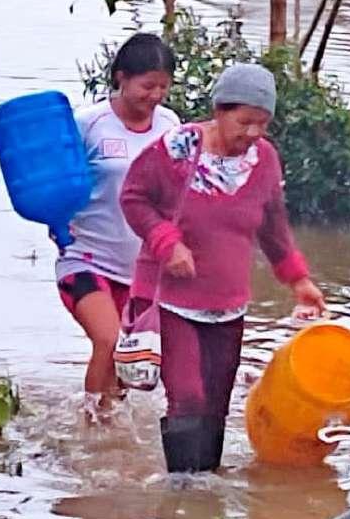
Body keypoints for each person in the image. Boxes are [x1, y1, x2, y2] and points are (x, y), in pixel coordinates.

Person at [121, 63, 325, 473]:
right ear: (219, 111)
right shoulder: (178, 149)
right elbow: (134, 197)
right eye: (244, 121)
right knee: (188, 398)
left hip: (228, 304)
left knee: (216, 404)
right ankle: (183, 489)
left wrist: (299, 280)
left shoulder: (264, 160)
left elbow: (273, 228)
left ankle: (207, 486)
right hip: (173, 300)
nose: (252, 133)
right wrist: (167, 242)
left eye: (262, 123)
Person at [57, 33, 180, 421]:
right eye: (147, 85)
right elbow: (54, 183)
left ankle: (112, 430)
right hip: (85, 259)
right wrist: (55, 222)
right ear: (121, 78)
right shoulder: (88, 124)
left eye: (163, 87)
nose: (155, 95)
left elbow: (179, 191)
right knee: (108, 340)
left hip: (142, 269)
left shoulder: (171, 126)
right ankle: (89, 432)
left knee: (129, 359)